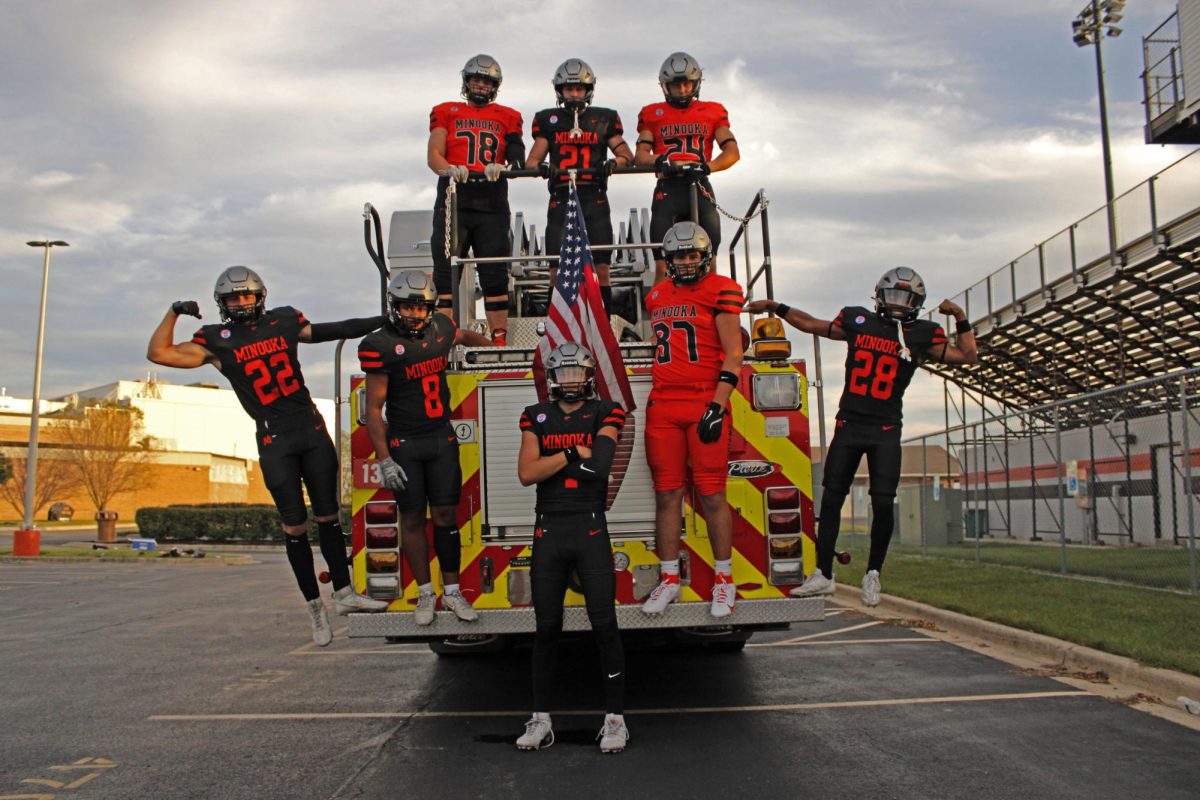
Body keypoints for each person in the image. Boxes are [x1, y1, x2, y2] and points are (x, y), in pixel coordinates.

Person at [147, 266, 390, 646]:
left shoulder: (284, 320)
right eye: (233, 298)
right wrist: (174, 312)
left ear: (260, 296)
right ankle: (315, 609)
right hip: (275, 439)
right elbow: (159, 353)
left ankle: (344, 595)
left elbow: (335, 328)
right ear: (222, 304)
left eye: (246, 296)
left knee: (328, 515)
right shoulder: (216, 340)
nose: (241, 303)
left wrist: (384, 319)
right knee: (294, 526)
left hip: (310, 430)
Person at [746, 267, 978, 606]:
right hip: (850, 423)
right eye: (894, 296)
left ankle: (873, 574)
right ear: (880, 296)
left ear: (917, 303)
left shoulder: (921, 334)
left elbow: (968, 355)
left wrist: (959, 316)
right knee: (832, 498)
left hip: (886, 428)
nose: (899, 305)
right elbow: (812, 324)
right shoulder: (858, 321)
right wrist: (778, 307)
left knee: (883, 503)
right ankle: (824, 574)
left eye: (906, 299)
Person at [358, 270, 494, 625]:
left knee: (447, 517)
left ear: (431, 308)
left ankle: (452, 592)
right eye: (407, 307)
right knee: (413, 518)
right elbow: (373, 408)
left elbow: (462, 335)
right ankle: (424, 593)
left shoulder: (441, 329)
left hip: (441, 438)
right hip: (405, 441)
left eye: (421, 308)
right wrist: (385, 458)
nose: (414, 314)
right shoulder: (381, 344)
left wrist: (498, 352)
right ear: (394, 306)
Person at [514, 343, 629, 753]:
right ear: (552, 377)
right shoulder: (535, 414)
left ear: (588, 375)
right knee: (546, 629)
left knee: (604, 625)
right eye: (562, 375)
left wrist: (556, 459)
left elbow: (599, 468)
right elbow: (527, 473)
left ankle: (614, 719)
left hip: (590, 529)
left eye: (575, 374)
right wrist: (570, 452)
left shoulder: (606, 410)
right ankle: (541, 719)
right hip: (548, 530)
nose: (569, 382)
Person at [640, 222, 745, 618]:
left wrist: (717, 406)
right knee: (666, 494)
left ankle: (724, 579)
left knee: (712, 493)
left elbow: (733, 355)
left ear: (705, 256)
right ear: (669, 260)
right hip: (664, 404)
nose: (686, 262)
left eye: (692, 255)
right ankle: (669, 579)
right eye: (679, 256)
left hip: (704, 400)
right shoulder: (658, 295)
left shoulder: (722, 289)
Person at [427, 54, 525, 345]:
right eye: (476, 80)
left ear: (494, 86)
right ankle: (442, 339)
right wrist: (448, 170)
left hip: (492, 202)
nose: (480, 85)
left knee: (494, 274)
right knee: (445, 275)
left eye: (486, 81)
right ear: (466, 81)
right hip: (453, 200)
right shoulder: (445, 110)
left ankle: (499, 340)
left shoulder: (507, 116)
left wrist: (508, 166)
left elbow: (517, 154)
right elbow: (433, 153)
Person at [525, 58, 635, 316]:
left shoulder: (603, 119)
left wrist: (614, 162)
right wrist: (542, 168)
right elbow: (532, 161)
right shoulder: (548, 120)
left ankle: (603, 321)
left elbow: (626, 154)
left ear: (588, 90)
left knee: (601, 268)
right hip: (562, 196)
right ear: (560, 90)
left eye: (579, 89)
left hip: (593, 196)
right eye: (569, 89)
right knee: (556, 269)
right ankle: (558, 322)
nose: (574, 94)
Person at [634, 52, 740, 287]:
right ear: (665, 85)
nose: (682, 90)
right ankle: (661, 313)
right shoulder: (652, 114)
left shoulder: (713, 111)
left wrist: (706, 168)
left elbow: (732, 152)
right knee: (661, 259)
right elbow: (640, 156)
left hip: (699, 185)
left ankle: (710, 309)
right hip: (668, 188)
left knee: (709, 256)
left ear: (696, 83)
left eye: (686, 84)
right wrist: (659, 161)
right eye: (676, 85)